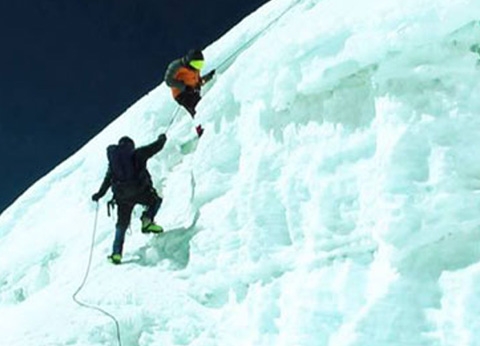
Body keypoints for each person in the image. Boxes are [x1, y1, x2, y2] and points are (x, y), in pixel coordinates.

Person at [91, 134, 167, 264]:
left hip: (122, 198)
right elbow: (155, 147)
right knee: (156, 200)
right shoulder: (138, 154)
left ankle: (116, 254)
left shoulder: (114, 164)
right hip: (140, 190)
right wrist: (162, 139)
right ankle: (147, 220)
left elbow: (107, 180)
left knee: (121, 225)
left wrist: (99, 194)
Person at [164, 49, 215, 137]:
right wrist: (184, 87)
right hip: (181, 94)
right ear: (189, 61)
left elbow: (198, 82)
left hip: (192, 91)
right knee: (196, 108)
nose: (198, 67)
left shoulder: (195, 69)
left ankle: (205, 127)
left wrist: (209, 77)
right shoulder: (177, 66)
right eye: (196, 64)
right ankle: (202, 131)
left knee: (201, 105)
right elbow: (168, 80)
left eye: (200, 64)